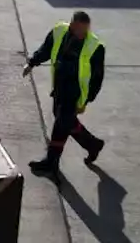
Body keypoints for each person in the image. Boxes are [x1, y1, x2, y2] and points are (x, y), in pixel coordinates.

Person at [22, 11, 106, 183]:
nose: (83, 34)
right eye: (79, 30)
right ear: (72, 25)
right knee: (63, 121)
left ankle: (51, 163)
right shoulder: (59, 31)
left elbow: (97, 78)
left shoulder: (95, 46)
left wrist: (87, 100)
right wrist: (32, 62)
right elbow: (46, 49)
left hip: (74, 92)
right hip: (59, 85)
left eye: (86, 30)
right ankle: (92, 144)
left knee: (61, 125)